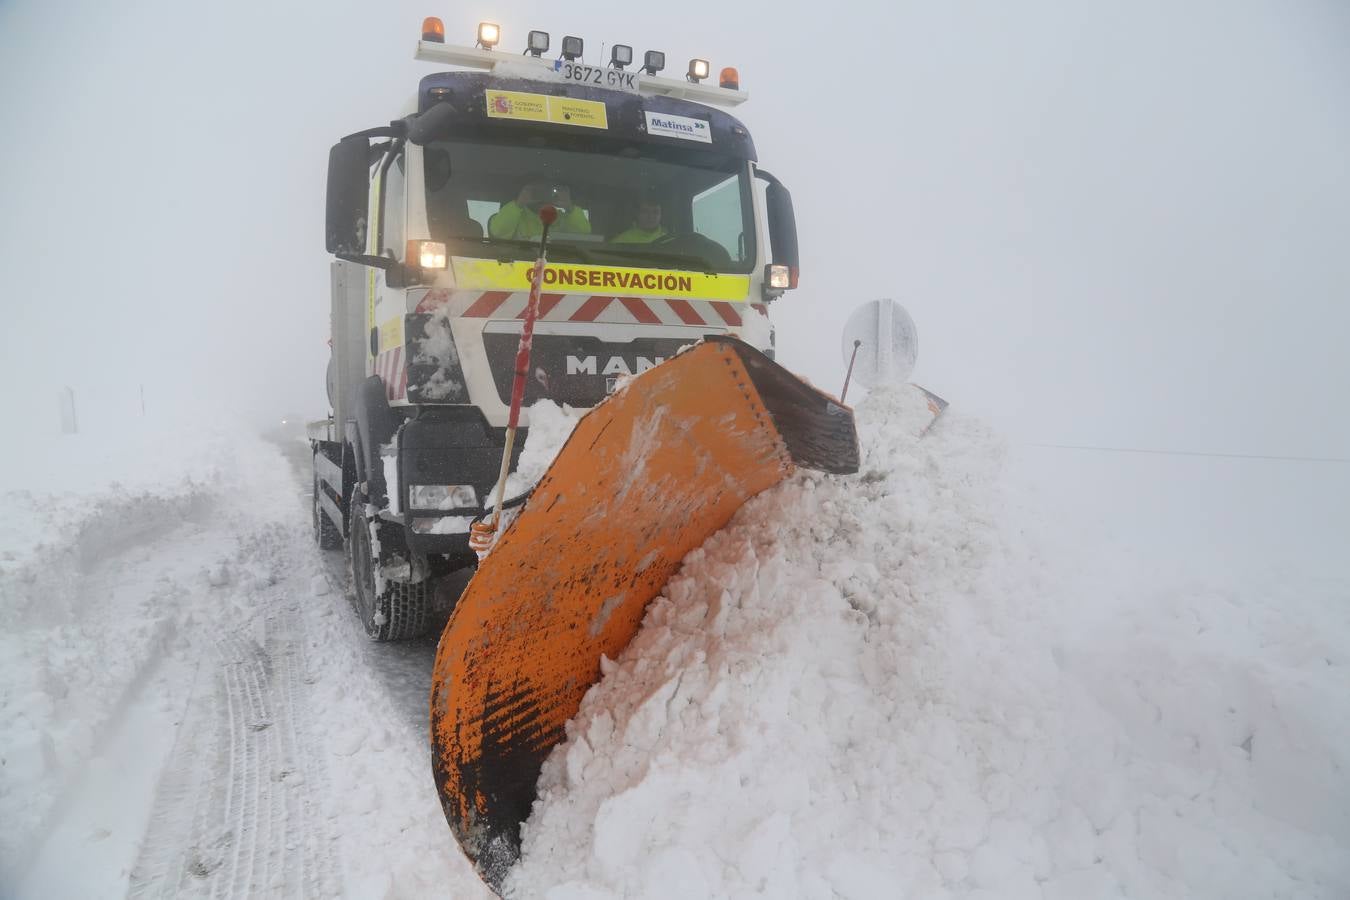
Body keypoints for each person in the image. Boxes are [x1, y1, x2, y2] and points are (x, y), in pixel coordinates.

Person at [488, 182, 591, 240]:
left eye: (548, 191)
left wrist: (569, 206)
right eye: (536, 192)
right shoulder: (515, 217)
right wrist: (519, 204)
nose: (543, 195)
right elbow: (498, 232)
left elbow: (584, 235)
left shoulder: (565, 219)